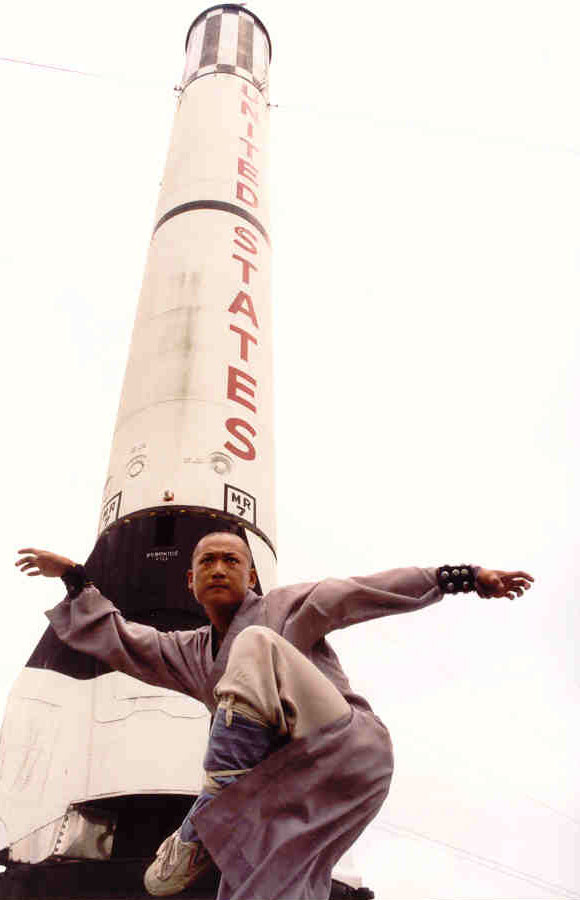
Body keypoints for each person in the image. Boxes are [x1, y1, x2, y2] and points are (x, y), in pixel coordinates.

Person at [15, 537, 533, 900]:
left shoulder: (287, 608)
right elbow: (122, 639)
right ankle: (222, 816)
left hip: (348, 750)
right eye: (209, 562)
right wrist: (76, 580)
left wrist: (461, 577)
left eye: (232, 561)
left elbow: (362, 590)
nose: (220, 568)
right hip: (288, 788)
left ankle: (209, 814)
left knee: (256, 644)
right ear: (190, 580)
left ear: (251, 575)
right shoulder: (190, 652)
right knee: (257, 884)